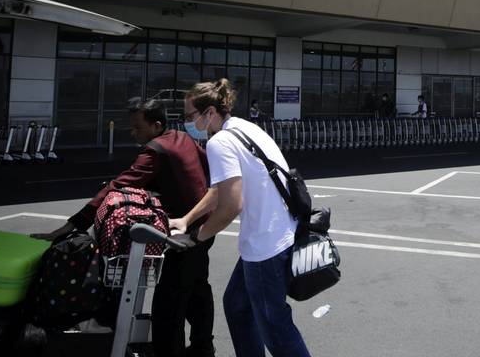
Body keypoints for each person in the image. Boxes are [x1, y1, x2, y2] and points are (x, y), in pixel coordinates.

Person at [31, 100, 215, 357]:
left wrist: (73, 224)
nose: (133, 133)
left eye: (137, 128)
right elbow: (207, 168)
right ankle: (203, 347)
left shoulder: (154, 151)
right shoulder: (183, 137)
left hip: (181, 232)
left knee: (169, 301)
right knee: (197, 290)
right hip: (206, 225)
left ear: (156, 125)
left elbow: (118, 186)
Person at [172, 79, 310, 357]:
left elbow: (231, 205)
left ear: (209, 112)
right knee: (237, 305)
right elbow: (221, 188)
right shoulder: (244, 128)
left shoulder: (220, 142)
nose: (187, 122)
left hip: (265, 247)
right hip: (281, 232)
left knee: (276, 328)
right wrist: (187, 219)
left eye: (189, 116)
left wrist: (197, 237)